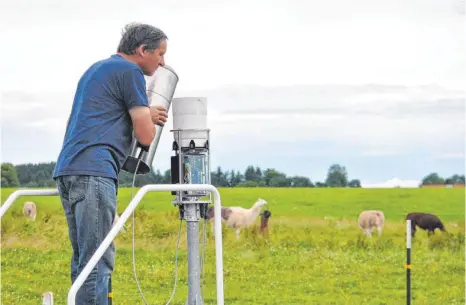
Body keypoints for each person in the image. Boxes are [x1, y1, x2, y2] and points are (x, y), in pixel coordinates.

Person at [53, 22, 169, 305]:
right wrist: (146, 117)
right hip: (96, 171)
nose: (162, 62)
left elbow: (103, 113)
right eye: (160, 54)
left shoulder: (98, 69)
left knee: (84, 261)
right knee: (98, 261)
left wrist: (142, 112)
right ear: (142, 50)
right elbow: (145, 135)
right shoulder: (131, 72)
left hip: (70, 170)